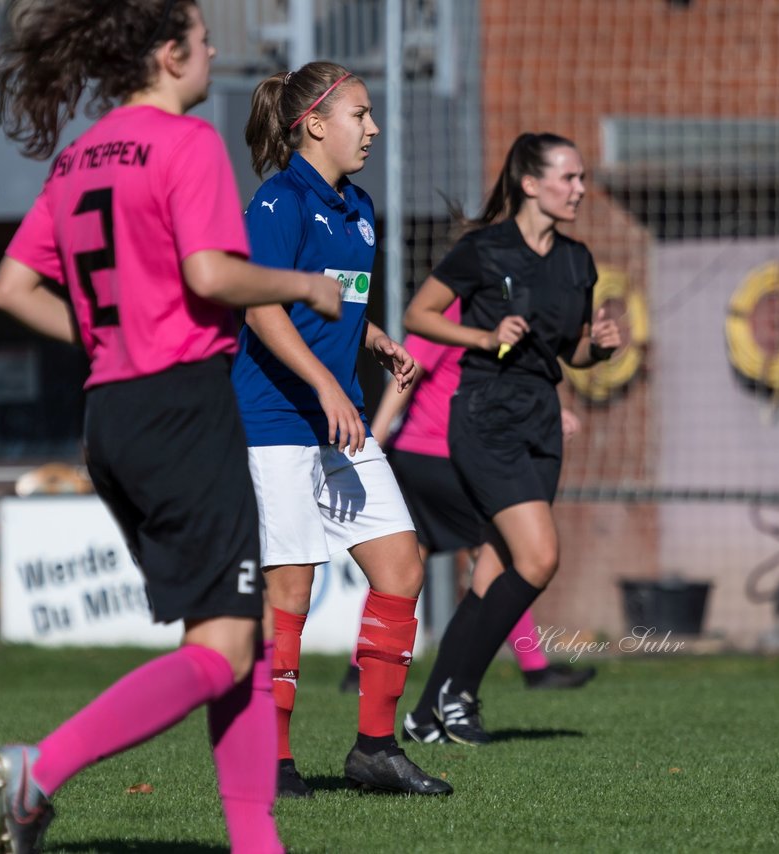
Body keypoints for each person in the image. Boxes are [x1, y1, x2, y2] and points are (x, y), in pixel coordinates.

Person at [0, 3, 342, 852]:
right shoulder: (185, 143)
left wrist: (112, 333)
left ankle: (257, 841)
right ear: (169, 53)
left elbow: (8, 288)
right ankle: (41, 769)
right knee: (222, 647)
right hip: (182, 404)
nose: (214, 49)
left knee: (236, 633)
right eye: (203, 37)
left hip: (111, 413)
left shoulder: (78, 156)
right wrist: (303, 286)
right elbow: (210, 272)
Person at [233, 61, 450, 798]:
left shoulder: (356, 207)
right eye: (361, 114)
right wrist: (328, 381)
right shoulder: (277, 201)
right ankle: (271, 759)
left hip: (337, 419)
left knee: (402, 565)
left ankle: (375, 750)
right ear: (314, 124)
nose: (374, 128)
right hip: (278, 421)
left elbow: (331, 301)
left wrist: (374, 337)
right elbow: (262, 309)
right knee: (290, 586)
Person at [401, 132, 622, 745]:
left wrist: (595, 348)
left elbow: (572, 352)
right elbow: (417, 316)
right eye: (568, 177)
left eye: (581, 178)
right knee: (540, 557)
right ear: (530, 183)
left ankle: (425, 716)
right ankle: (459, 691)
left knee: (493, 572)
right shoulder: (483, 251)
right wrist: (484, 335)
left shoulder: (579, 260)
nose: (579, 188)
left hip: (540, 422)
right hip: (484, 416)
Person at [338, 304, 597, 711]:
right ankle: (531, 667)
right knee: (501, 555)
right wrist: (376, 441)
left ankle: (358, 669)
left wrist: (547, 413)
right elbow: (406, 375)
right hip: (436, 460)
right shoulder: (449, 311)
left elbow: (498, 387)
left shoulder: (495, 319)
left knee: (403, 567)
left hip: (438, 458)